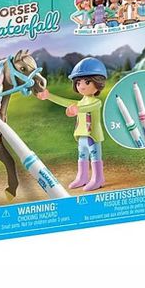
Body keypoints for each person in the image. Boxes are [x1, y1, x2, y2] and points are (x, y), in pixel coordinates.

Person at [37, 58, 107, 191]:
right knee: (82, 157)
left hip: (92, 137)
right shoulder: (81, 101)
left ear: (99, 82)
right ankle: (82, 177)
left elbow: (87, 108)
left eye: (87, 82)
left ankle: (98, 178)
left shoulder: (96, 102)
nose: (82, 86)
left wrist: (76, 109)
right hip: (81, 136)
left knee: (95, 157)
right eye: (78, 82)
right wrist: (49, 96)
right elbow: (66, 102)